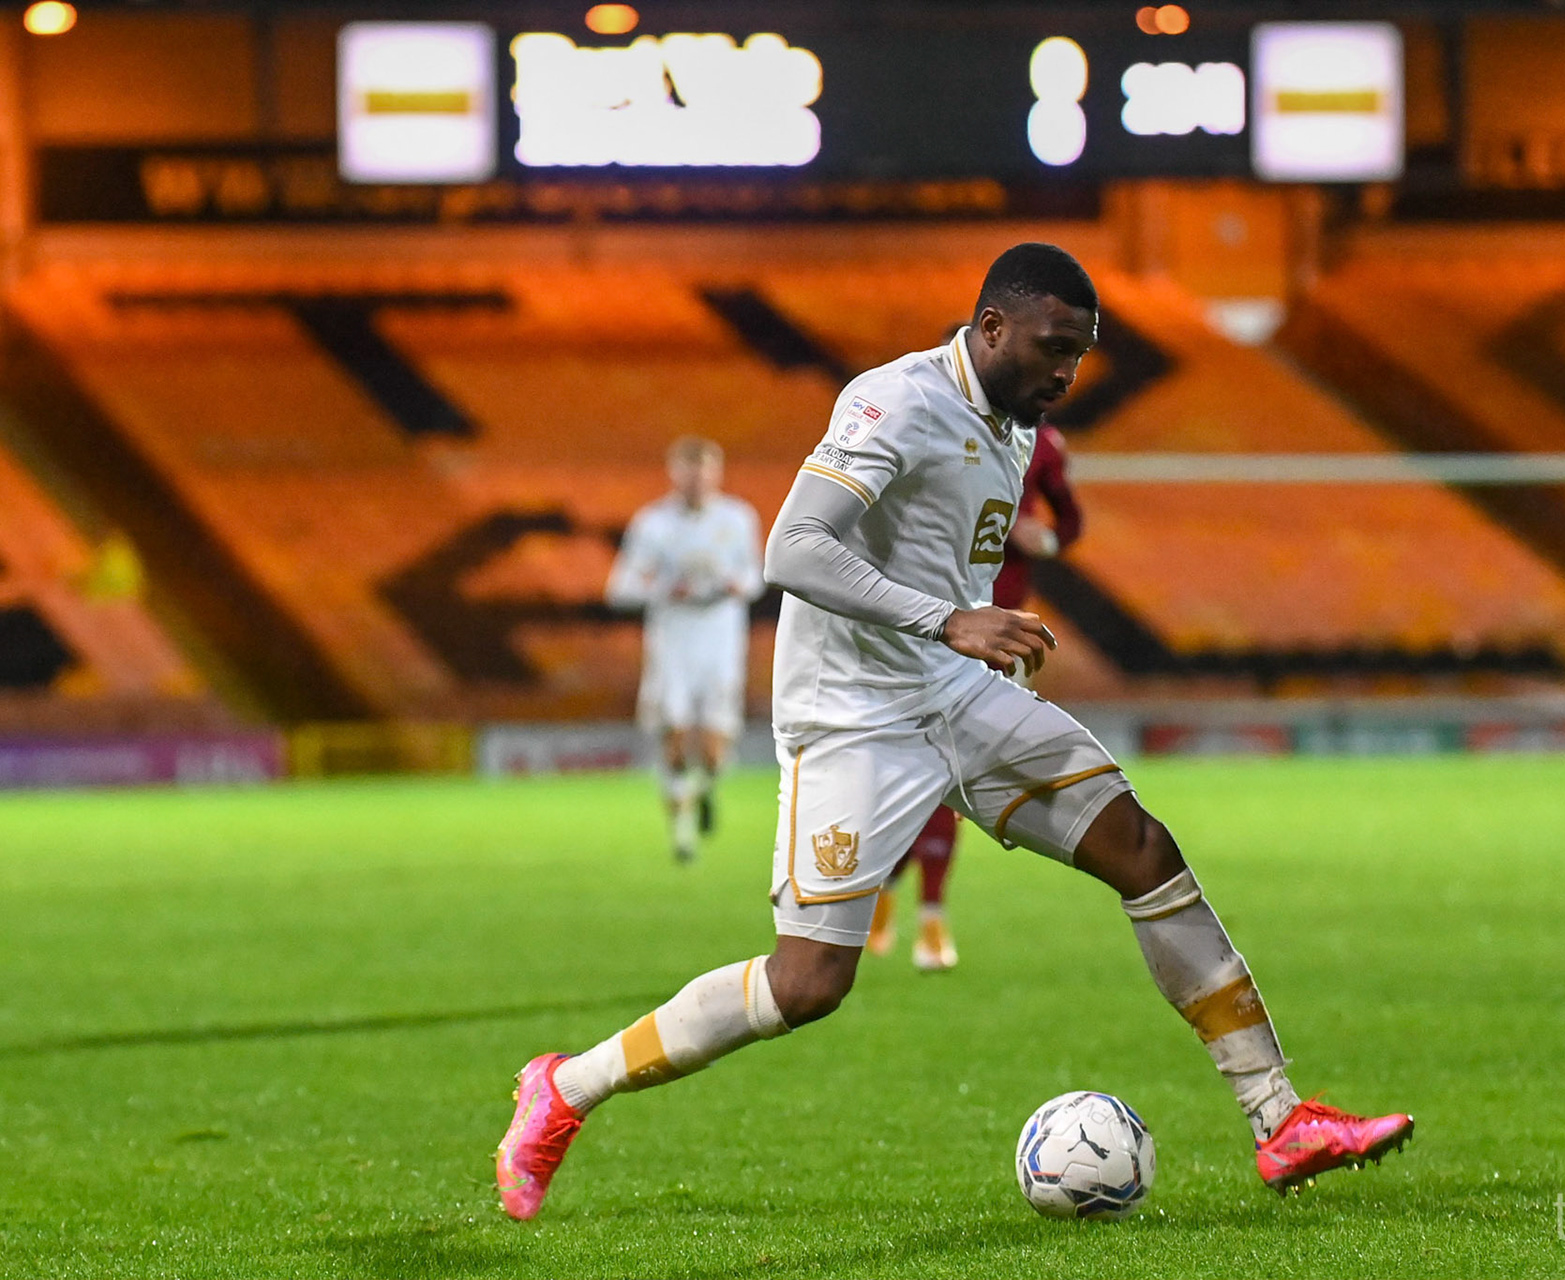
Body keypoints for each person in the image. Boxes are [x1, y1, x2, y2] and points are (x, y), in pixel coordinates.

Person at [497, 244, 1412, 1219]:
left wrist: (967, 623)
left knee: (1143, 849)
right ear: (992, 328)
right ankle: (567, 1087)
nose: (1067, 371)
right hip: (853, 714)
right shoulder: (895, 402)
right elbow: (792, 547)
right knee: (808, 982)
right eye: (1053, 347)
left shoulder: (1016, 419)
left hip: (953, 690)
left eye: (1081, 353)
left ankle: (1279, 1117)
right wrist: (950, 618)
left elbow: (946, 541)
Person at [868, 423, 1083, 971]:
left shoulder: (1042, 442)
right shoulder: (931, 428)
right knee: (922, 772)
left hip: (1001, 634)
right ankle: (898, 896)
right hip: (930, 626)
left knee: (951, 775)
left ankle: (925, 912)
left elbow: (1070, 521)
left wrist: (1046, 540)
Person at [605, 437, 763, 861]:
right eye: (689, 472)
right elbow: (619, 588)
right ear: (674, 473)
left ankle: (707, 788)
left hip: (721, 642)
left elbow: (755, 577)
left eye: (704, 472)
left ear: (717, 473)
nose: (697, 481)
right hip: (672, 643)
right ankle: (682, 836)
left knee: (712, 747)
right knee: (673, 735)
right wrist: (663, 588)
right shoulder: (653, 523)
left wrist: (736, 585)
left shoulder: (738, 517)